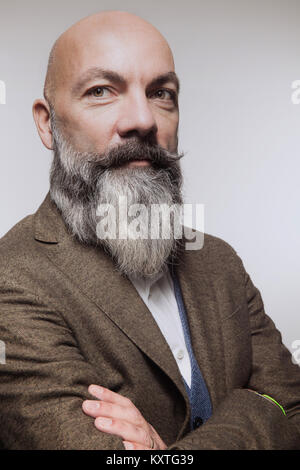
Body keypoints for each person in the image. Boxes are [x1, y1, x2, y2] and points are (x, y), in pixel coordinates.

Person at [0, 10, 299, 450]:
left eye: (161, 93)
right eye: (101, 91)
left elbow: (292, 407)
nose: (143, 119)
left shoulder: (219, 261)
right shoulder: (11, 278)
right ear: (47, 122)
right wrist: (256, 409)